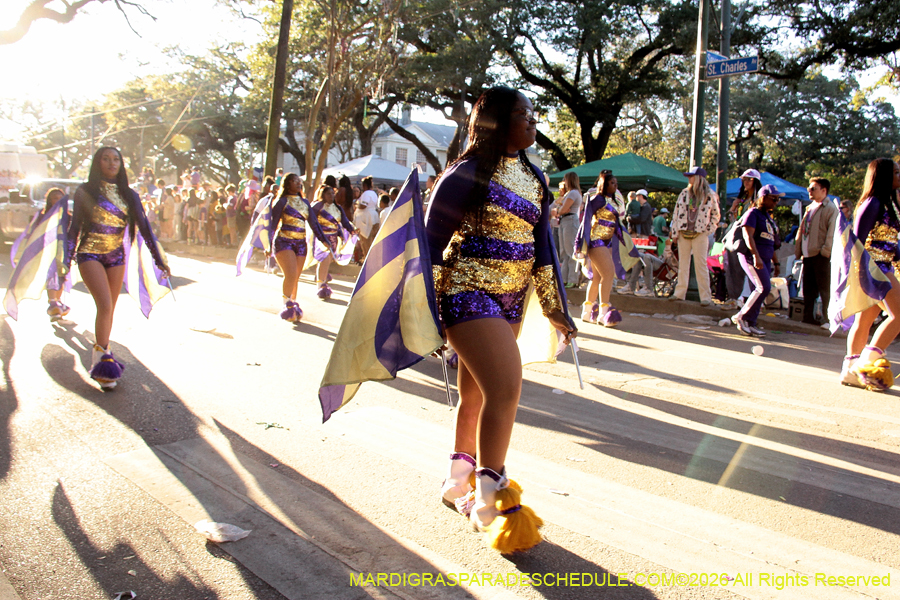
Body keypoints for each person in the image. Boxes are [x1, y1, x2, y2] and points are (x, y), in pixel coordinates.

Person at [426, 86, 575, 553]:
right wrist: (426, 311)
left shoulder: (535, 179)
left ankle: (458, 479)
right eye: (523, 114)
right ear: (496, 122)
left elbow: (545, 250)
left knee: (476, 395)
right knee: (506, 390)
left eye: (533, 114)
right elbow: (429, 245)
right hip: (466, 291)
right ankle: (491, 498)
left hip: (513, 299)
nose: (533, 121)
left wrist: (556, 308)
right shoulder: (464, 174)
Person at [67, 147, 170, 388]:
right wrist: (65, 260)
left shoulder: (129, 194)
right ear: (98, 163)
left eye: (116, 160)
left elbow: (144, 228)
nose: (112, 163)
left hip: (116, 257)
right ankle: (104, 363)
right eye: (106, 159)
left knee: (109, 309)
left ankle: (100, 353)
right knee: (104, 305)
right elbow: (74, 228)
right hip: (89, 253)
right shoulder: (85, 191)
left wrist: (159, 259)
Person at [836, 159, 900, 391]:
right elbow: (856, 241)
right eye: (895, 172)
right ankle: (866, 364)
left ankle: (851, 371)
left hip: (884, 267)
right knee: (899, 315)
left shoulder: (888, 204)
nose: (899, 176)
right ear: (883, 176)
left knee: (865, 321)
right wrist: (860, 273)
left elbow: (891, 243)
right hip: (874, 269)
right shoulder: (872, 203)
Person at [575, 170, 631, 326]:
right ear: (604, 184)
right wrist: (581, 240)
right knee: (608, 274)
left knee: (598, 277)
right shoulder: (597, 199)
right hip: (596, 241)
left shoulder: (611, 201)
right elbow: (585, 219)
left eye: (616, 183)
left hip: (607, 242)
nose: (615, 186)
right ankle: (604, 313)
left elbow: (617, 224)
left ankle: (587, 312)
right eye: (612, 183)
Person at [267, 173, 323, 320]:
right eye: (295, 181)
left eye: (299, 181)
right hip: (284, 241)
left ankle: (292, 304)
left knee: (296, 277)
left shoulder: (305, 202)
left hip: (301, 243)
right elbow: (272, 225)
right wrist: (267, 244)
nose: (299, 183)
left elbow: (314, 224)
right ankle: (286, 305)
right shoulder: (282, 201)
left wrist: (325, 240)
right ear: (287, 184)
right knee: (290, 274)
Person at [731, 184, 780, 336]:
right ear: (763, 198)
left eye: (778, 200)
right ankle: (741, 317)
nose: (776, 202)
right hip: (752, 257)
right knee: (763, 287)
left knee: (760, 290)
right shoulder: (753, 213)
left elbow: (771, 242)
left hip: (765, 258)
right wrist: (755, 256)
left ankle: (751, 322)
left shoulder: (768, 218)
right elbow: (748, 235)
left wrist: (776, 262)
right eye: (773, 199)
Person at [669, 166, 720, 306]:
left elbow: (716, 214)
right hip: (683, 232)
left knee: (701, 265)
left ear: (698, 178)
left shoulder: (710, 195)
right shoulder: (684, 193)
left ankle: (705, 297)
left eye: (691, 176)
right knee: (683, 264)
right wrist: (675, 232)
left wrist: (708, 230)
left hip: (700, 233)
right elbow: (676, 213)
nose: (689, 179)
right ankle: (679, 293)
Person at [795, 177, 838, 325]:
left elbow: (831, 232)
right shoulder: (810, 208)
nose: (809, 191)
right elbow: (801, 231)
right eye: (809, 188)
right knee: (808, 289)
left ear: (824, 190)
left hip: (820, 255)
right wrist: (799, 249)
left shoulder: (831, 209)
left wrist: (825, 251)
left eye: (813, 188)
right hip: (807, 254)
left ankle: (827, 319)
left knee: (824, 288)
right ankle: (808, 317)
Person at [310, 184, 356, 299]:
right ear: (323, 195)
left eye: (332, 193)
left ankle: (321, 279)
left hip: (334, 238)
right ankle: (321, 285)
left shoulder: (338, 208)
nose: (331, 196)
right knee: (324, 260)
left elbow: (345, 221)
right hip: (321, 238)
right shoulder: (318, 206)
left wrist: (352, 230)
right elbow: (312, 221)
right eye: (328, 193)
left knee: (327, 260)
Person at [556, 172, 582, 289]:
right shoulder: (569, 193)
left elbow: (563, 209)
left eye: (565, 179)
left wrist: (560, 210)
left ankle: (573, 278)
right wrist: (560, 210)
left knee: (571, 250)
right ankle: (564, 278)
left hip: (570, 220)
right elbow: (560, 209)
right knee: (564, 252)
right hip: (564, 221)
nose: (564, 182)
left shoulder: (573, 193)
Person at [354, 177, 379, 257]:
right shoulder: (374, 193)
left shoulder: (366, 193)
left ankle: (367, 259)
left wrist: (357, 206)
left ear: (364, 185)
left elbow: (364, 205)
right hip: (373, 217)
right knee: (372, 240)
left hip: (366, 219)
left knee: (366, 241)